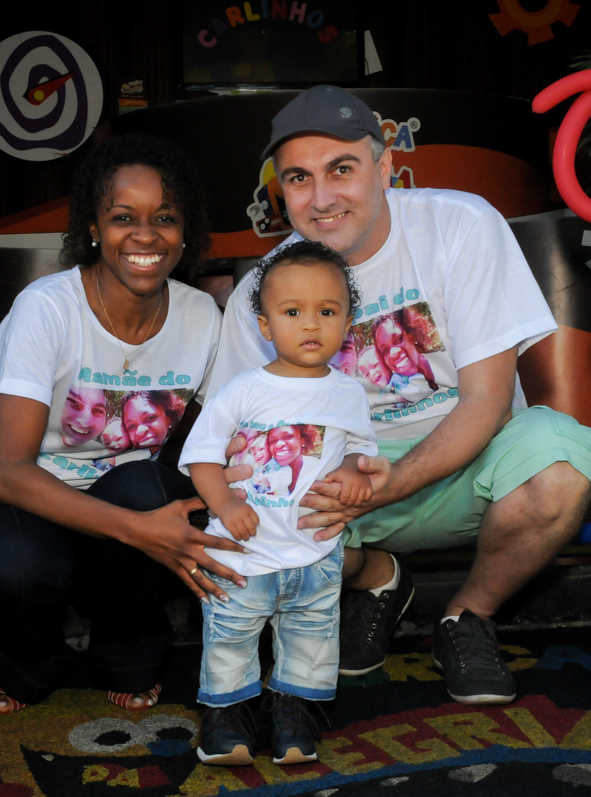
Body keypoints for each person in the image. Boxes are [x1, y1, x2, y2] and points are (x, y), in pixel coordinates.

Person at [207, 86, 591, 706]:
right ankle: (378, 581)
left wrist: (387, 483)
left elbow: (488, 401)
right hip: (345, 491)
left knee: (561, 466)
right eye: (298, 178)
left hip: (467, 459)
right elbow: (241, 442)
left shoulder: (461, 224)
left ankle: (468, 616)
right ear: (280, 191)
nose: (321, 198)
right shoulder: (259, 295)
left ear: (384, 164)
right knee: (250, 512)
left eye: (341, 168)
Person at [0, 133, 252, 716]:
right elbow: (9, 474)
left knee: (151, 486)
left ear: (185, 230)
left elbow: (228, 433)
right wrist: (140, 531)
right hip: (30, 501)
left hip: (122, 505)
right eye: (122, 218)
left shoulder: (201, 316)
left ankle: (129, 653)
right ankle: (31, 658)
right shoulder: (48, 306)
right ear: (93, 227)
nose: (144, 235)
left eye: (164, 217)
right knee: (9, 563)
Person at [180, 240, 381, 766]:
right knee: (231, 636)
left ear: (347, 321)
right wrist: (223, 503)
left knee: (311, 635)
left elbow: (361, 453)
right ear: (266, 326)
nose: (310, 325)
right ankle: (228, 716)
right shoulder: (243, 390)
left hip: (315, 552)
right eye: (292, 312)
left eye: (327, 311)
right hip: (242, 551)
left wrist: (350, 475)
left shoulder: (348, 394)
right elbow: (201, 456)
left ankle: (294, 713)